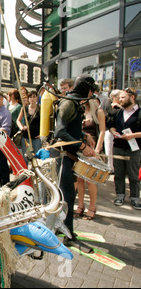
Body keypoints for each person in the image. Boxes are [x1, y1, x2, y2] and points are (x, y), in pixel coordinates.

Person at [49, 74, 97, 243]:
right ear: (87, 90)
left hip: (67, 155)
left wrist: (83, 135)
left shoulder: (73, 102)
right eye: (91, 91)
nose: (91, 95)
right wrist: (82, 147)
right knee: (66, 195)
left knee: (66, 195)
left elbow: (69, 128)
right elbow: (60, 132)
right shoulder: (69, 103)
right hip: (61, 155)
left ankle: (61, 229)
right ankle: (65, 232)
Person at [109, 87, 141, 210]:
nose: (120, 100)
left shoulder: (139, 113)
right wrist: (113, 132)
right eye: (120, 98)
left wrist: (132, 135)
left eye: (123, 97)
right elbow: (111, 126)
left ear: (132, 97)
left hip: (134, 148)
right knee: (119, 173)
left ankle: (135, 198)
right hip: (118, 146)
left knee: (133, 174)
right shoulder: (118, 112)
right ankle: (120, 195)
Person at [75, 98, 106, 220]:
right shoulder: (81, 111)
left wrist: (97, 150)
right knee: (79, 179)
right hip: (80, 147)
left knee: (90, 180)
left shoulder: (98, 112)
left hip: (92, 148)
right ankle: (81, 205)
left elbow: (102, 131)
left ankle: (92, 207)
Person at [16, 90, 41, 162]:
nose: (32, 99)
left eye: (34, 97)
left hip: (36, 137)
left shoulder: (40, 108)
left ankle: (35, 172)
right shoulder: (24, 108)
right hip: (26, 136)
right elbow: (18, 120)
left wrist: (42, 134)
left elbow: (44, 122)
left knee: (36, 157)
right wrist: (21, 127)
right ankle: (27, 171)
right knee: (26, 157)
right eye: (30, 97)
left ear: (36, 98)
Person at [104, 89, 121, 172]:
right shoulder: (109, 107)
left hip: (120, 131)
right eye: (119, 96)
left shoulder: (123, 107)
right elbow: (108, 120)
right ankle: (110, 168)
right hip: (110, 132)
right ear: (114, 97)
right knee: (109, 150)